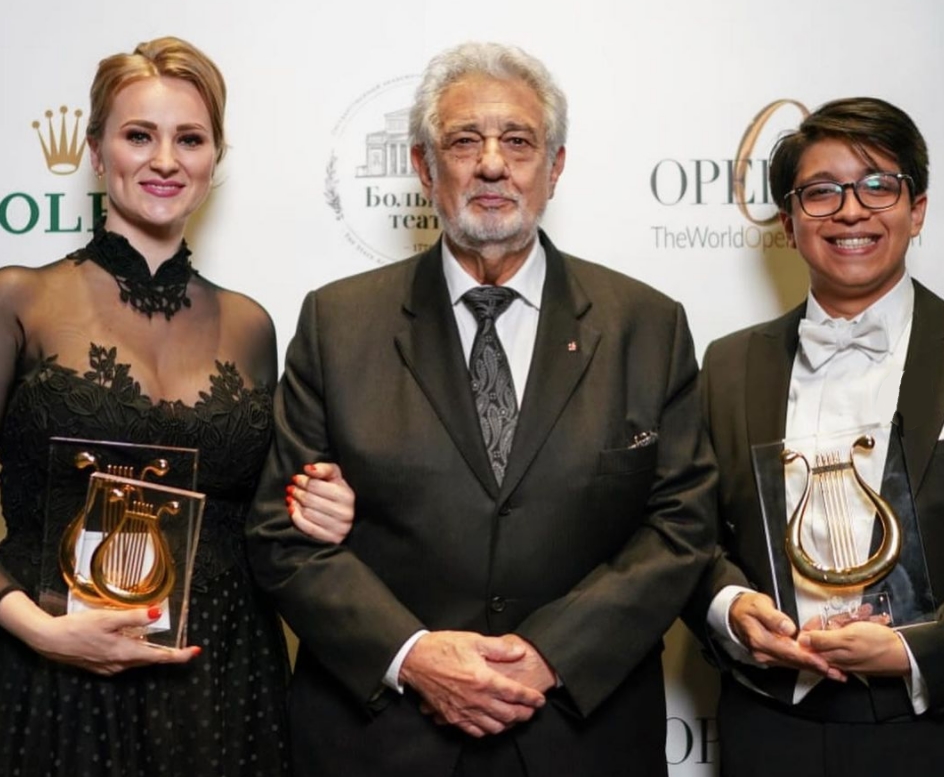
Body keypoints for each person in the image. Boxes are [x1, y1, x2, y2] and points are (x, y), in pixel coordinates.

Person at [247, 41, 717, 777]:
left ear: (555, 168)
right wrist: (415, 655)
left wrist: (553, 653)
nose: (492, 163)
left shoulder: (646, 325)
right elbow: (281, 530)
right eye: (465, 141)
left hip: (580, 735)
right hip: (384, 741)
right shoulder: (337, 324)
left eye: (519, 141)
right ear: (425, 168)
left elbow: (683, 522)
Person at [0, 37, 294, 776]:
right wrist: (32, 627)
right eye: (140, 134)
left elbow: (271, 513)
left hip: (222, 679)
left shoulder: (253, 327)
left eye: (189, 139)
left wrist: (322, 500)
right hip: (49, 672)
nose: (165, 159)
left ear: (213, 159)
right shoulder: (21, 300)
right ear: (97, 153)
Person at [684, 97, 944, 776]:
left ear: (917, 208)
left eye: (878, 185)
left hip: (933, 728)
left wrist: (919, 650)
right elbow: (682, 533)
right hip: (769, 728)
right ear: (789, 222)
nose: (851, 211)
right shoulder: (728, 364)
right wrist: (732, 608)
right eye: (821, 192)